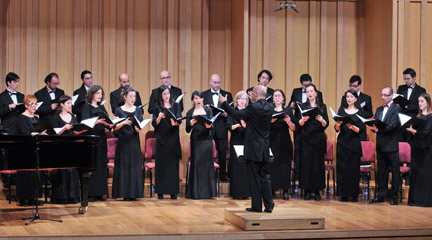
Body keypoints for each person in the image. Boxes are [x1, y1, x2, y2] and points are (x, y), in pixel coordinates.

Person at [220, 85, 274, 213]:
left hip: (253, 148)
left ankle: (256, 206)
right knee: (265, 176)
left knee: (254, 178)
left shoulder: (253, 107)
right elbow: (257, 110)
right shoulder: (270, 107)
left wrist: (224, 103)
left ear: (255, 94)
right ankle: (269, 204)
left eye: (253, 93)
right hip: (264, 147)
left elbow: (236, 113)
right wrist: (254, 100)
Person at [368, 87, 401, 205]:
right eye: (382, 95)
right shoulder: (378, 109)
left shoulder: (397, 109)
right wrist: (373, 128)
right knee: (381, 172)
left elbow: (392, 126)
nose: (383, 97)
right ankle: (381, 195)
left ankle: (394, 196)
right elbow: (375, 124)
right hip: (381, 145)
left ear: (391, 96)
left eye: (386, 95)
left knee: (395, 171)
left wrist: (378, 130)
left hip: (391, 146)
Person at [289, 74, 323, 185]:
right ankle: (299, 175)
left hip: (316, 131)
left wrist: (321, 120)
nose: (308, 92)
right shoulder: (296, 92)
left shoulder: (320, 100)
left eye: (310, 89)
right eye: (305, 87)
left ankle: (317, 188)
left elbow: (321, 109)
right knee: (302, 154)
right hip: (303, 126)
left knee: (316, 161)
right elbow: (292, 107)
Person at [50, 95, 84, 204]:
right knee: (62, 172)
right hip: (60, 147)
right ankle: (61, 197)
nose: (70, 105)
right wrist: (64, 128)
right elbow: (54, 133)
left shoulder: (73, 117)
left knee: (72, 171)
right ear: (62, 104)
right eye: (68, 103)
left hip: (72, 146)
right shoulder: (55, 118)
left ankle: (72, 196)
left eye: (70, 103)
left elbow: (74, 132)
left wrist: (81, 131)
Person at [112, 88, 144, 201]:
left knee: (134, 166)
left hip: (134, 141)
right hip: (123, 141)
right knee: (124, 166)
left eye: (134, 97)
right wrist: (123, 123)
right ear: (125, 97)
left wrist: (137, 127)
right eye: (131, 96)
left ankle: (134, 193)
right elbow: (114, 129)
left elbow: (140, 127)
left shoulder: (138, 110)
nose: (133, 99)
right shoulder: (118, 110)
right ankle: (124, 192)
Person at [298, 83, 329, 201]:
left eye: (311, 91)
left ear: (315, 93)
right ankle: (306, 191)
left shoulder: (322, 106)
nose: (310, 93)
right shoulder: (303, 106)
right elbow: (299, 124)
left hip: (318, 139)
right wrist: (302, 120)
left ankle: (317, 191)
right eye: (308, 92)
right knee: (306, 165)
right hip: (306, 139)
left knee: (317, 165)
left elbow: (326, 125)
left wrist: (321, 120)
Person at [81, 85, 112, 202]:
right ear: (92, 94)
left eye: (101, 93)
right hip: (91, 140)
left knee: (102, 166)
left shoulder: (102, 107)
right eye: (98, 93)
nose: (100, 95)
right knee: (92, 167)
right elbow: (85, 124)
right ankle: (90, 194)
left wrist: (111, 123)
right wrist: (97, 121)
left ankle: (100, 192)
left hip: (101, 140)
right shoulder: (86, 107)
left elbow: (108, 122)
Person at [152, 85, 182, 200]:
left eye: (168, 93)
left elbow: (179, 120)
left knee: (172, 166)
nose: (166, 96)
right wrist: (159, 117)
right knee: (161, 166)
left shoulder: (176, 106)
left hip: (173, 138)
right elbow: (154, 124)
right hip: (161, 139)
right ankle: (160, 191)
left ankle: (173, 192)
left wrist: (175, 122)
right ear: (160, 95)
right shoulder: (157, 107)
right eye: (164, 94)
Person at [15, 95, 46, 206]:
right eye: (32, 104)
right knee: (25, 174)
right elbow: (25, 132)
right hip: (24, 150)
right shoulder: (21, 118)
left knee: (35, 173)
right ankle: (23, 198)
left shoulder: (36, 118)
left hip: (35, 149)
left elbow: (39, 130)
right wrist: (38, 133)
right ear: (26, 105)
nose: (34, 106)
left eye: (36, 104)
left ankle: (34, 198)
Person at [334, 90, 365, 202]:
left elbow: (361, 130)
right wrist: (337, 125)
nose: (349, 98)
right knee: (342, 170)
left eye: (351, 96)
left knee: (353, 170)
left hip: (354, 144)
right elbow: (337, 129)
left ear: (356, 99)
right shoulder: (341, 111)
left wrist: (351, 126)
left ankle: (354, 194)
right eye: (347, 96)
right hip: (342, 143)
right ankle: (343, 194)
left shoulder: (360, 112)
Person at [185, 91, 217, 199]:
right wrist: (191, 124)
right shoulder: (190, 112)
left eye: (199, 98)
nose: (197, 100)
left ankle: (207, 192)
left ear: (203, 99)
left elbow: (212, 126)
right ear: (193, 100)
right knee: (196, 165)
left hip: (206, 140)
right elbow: (187, 130)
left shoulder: (208, 111)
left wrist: (209, 126)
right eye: (195, 98)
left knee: (207, 165)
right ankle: (195, 193)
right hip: (196, 140)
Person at [202, 74, 233, 182]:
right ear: (210, 82)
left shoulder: (227, 95)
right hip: (208, 127)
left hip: (221, 127)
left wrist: (226, 113)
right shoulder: (204, 94)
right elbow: (199, 111)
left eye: (218, 82)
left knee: (222, 152)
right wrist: (205, 109)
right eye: (214, 82)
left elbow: (232, 111)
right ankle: (208, 174)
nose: (216, 85)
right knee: (208, 151)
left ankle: (223, 175)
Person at [405, 92, 432, 207]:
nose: (419, 104)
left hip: (427, 151)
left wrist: (415, 131)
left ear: (428, 102)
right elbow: (413, 135)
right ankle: (414, 200)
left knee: (425, 175)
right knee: (415, 175)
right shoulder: (418, 117)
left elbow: (427, 133)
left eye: (422, 101)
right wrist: (411, 131)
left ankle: (425, 201)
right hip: (416, 150)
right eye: (419, 102)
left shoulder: (431, 116)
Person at [269, 89, 295, 200]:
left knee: (285, 165)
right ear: (273, 98)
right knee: (272, 165)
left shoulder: (288, 109)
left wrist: (288, 121)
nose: (277, 98)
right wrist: (271, 121)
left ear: (283, 98)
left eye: (279, 96)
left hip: (284, 140)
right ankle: (272, 189)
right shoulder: (269, 109)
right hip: (272, 139)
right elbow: (264, 126)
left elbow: (294, 128)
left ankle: (285, 190)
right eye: (275, 96)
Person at [226, 91, 250, 199]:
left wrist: (246, 126)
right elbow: (229, 126)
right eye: (240, 99)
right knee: (236, 169)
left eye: (244, 99)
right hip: (236, 142)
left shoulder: (249, 113)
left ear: (247, 101)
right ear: (236, 100)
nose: (242, 101)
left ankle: (245, 193)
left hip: (246, 142)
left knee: (245, 168)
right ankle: (236, 193)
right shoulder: (233, 112)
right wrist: (239, 125)